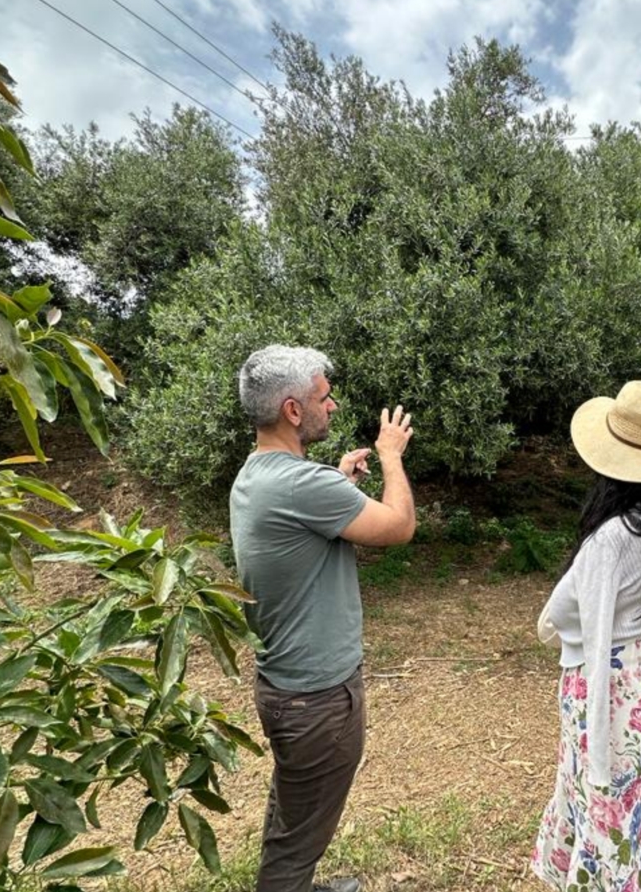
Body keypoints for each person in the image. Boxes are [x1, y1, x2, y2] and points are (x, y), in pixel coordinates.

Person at [229, 345, 416, 892]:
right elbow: (399, 526)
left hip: (286, 691)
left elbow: (302, 526)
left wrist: (339, 481)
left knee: (294, 816)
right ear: (292, 410)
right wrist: (391, 456)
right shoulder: (302, 485)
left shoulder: (259, 475)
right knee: (300, 836)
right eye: (323, 396)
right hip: (318, 702)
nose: (331, 405)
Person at [532, 380, 641, 892]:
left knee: (600, 794)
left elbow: (572, 620)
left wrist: (599, 762)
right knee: (640, 789)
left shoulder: (612, 538)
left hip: (604, 682)